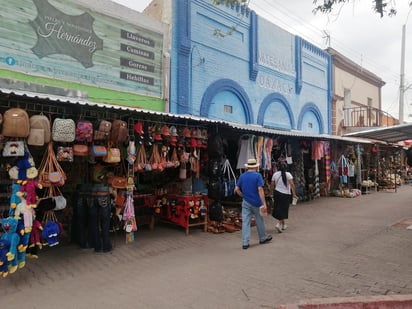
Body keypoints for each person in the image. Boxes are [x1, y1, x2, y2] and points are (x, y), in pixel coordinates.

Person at [234, 158, 272, 249]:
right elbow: (260, 189)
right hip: (256, 202)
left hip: (246, 202)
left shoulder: (242, 176)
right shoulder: (257, 176)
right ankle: (263, 238)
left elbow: (236, 189)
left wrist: (243, 195)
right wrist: (264, 203)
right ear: (255, 166)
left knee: (246, 222)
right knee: (259, 220)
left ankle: (245, 242)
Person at [271, 161, 298, 233]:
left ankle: (283, 225)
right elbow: (292, 184)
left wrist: (271, 193)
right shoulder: (288, 174)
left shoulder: (275, 174)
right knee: (283, 209)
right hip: (285, 194)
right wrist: (294, 194)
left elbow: (272, 185)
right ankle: (279, 224)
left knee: (279, 208)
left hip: (277, 193)